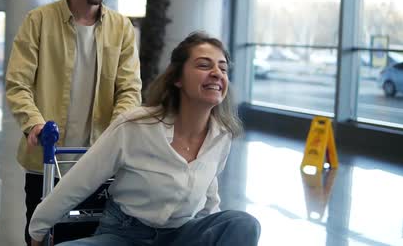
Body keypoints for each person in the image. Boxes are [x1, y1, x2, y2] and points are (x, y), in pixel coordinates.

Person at [29, 32, 261, 246]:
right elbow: (79, 181)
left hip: (181, 234)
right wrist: (37, 230)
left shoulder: (221, 135)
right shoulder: (136, 126)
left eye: (223, 68)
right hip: (124, 235)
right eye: (203, 65)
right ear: (177, 78)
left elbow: (210, 194)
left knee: (244, 224)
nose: (217, 73)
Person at [5, 0, 142, 245]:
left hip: (99, 163)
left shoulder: (121, 28)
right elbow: (18, 83)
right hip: (47, 161)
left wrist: (117, 131)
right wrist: (35, 123)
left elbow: (129, 90)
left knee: (90, 239)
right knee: (40, 236)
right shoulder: (38, 21)